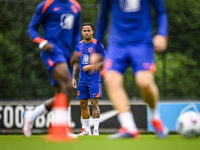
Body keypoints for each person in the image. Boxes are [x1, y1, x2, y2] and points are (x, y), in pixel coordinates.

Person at [91, 0, 168, 139]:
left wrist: (162, 34)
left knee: (144, 82)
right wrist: (96, 50)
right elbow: (102, 17)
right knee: (111, 79)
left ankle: (156, 117)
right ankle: (129, 126)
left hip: (142, 43)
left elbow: (161, 12)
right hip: (117, 43)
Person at [23, 0, 81, 139]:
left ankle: (31, 115)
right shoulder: (46, 5)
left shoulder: (76, 6)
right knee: (67, 85)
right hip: (52, 51)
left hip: (67, 54)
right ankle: (62, 127)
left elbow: (76, 33)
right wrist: (41, 42)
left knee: (61, 94)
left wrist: (77, 51)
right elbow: (32, 28)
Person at [72, 23, 106, 136]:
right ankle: (86, 130)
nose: (86, 32)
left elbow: (105, 61)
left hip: (94, 79)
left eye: (88, 30)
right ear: (82, 32)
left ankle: (95, 130)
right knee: (82, 104)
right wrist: (73, 77)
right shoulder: (79, 45)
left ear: (92, 32)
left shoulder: (97, 44)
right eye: (84, 30)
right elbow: (76, 62)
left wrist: (91, 67)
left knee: (94, 103)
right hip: (82, 80)